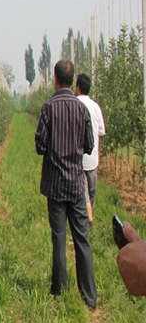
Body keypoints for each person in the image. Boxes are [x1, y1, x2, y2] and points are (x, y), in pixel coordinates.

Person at [35, 59, 97, 309]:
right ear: (72, 81)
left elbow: (40, 146)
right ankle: (89, 297)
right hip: (76, 184)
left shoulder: (48, 108)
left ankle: (59, 292)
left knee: (59, 238)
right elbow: (90, 144)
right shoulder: (81, 109)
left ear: (55, 78)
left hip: (55, 185)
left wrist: (54, 150)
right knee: (82, 239)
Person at [74, 73, 105, 223]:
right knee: (91, 191)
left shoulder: (72, 104)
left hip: (76, 157)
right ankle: (88, 218)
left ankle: (84, 219)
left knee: (81, 192)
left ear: (77, 87)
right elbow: (101, 132)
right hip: (92, 158)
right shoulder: (95, 107)